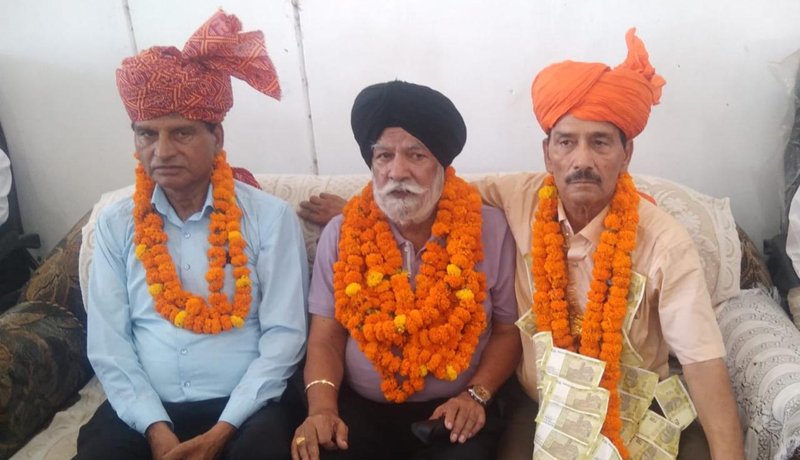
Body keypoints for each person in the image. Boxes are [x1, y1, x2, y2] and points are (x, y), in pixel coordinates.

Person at [298, 30, 745, 460]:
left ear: (626, 155)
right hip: (542, 406)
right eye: (567, 142)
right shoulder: (520, 197)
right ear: (547, 153)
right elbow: (426, 184)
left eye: (601, 143)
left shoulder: (665, 241)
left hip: (628, 407)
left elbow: (703, 363)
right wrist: (366, 208)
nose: (582, 161)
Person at [77, 11, 308, 460]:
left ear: (216, 136)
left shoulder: (269, 217)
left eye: (180, 132)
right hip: (145, 409)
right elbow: (109, 344)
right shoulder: (115, 221)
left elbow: (285, 336)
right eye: (147, 135)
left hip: (247, 408)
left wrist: (223, 429)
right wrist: (155, 429)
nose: (161, 152)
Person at [292, 81, 521, 460]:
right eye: (383, 156)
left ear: (443, 168)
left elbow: (507, 331)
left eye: (416, 156)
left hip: (455, 411)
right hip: (359, 411)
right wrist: (321, 410)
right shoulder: (342, 232)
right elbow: (325, 338)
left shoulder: (490, 229)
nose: (397, 171)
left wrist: (474, 395)